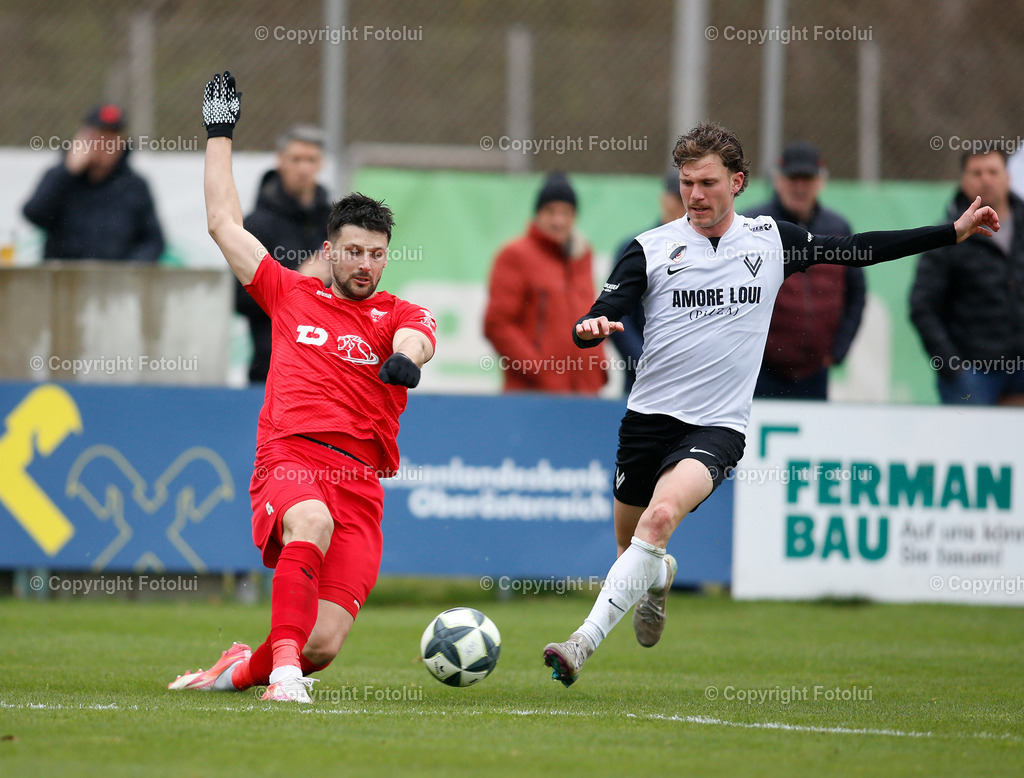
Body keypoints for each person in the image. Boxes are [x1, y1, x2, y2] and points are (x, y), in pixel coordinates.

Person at [542, 121, 998, 687]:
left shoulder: (771, 240)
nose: (696, 195)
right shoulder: (651, 249)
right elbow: (603, 308)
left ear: (737, 182)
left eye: (708, 182)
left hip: (716, 425)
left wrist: (949, 232)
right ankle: (656, 579)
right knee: (630, 547)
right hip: (647, 420)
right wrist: (591, 328)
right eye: (687, 183)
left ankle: (580, 644)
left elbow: (859, 250)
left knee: (660, 519)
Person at [169, 72, 436, 703]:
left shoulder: (397, 313)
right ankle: (283, 679)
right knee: (307, 521)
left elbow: (419, 339)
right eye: (354, 252)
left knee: (322, 644)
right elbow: (222, 222)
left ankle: (240, 669)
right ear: (330, 250)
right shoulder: (290, 293)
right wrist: (219, 133)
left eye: (376, 254)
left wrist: (405, 361)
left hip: (361, 484)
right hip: (290, 455)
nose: (365, 264)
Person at [744, 142, 865, 399]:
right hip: (759, 371)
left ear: (820, 182)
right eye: (793, 178)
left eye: (807, 178)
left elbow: (856, 293)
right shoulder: (752, 226)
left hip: (815, 372)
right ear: (777, 180)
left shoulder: (838, 227)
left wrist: (839, 349)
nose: (800, 186)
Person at [910, 148, 1024, 405]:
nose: (986, 179)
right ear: (963, 180)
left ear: (1008, 177)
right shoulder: (946, 236)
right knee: (968, 442)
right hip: (974, 371)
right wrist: (953, 368)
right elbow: (922, 306)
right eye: (977, 172)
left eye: (993, 172)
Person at [483, 173, 607, 393]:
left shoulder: (582, 255)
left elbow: (589, 313)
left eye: (566, 213)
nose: (558, 221)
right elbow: (497, 323)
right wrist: (538, 369)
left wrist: (598, 366)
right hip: (534, 394)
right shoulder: (515, 255)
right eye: (551, 212)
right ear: (538, 214)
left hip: (585, 391)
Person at [237, 125, 334, 383]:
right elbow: (239, 297)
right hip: (272, 367)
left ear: (321, 163)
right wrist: (298, 279)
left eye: (311, 160)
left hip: (328, 368)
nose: (304, 168)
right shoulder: (256, 224)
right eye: (296, 159)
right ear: (280, 161)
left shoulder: (335, 224)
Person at [22, 103, 164, 261]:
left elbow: (153, 241)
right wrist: (67, 171)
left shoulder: (134, 186)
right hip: (65, 281)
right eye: (100, 136)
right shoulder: (61, 178)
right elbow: (34, 214)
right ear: (83, 138)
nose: (107, 144)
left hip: (115, 281)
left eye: (113, 136)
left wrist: (130, 272)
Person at [609, 169, 687, 393]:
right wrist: (646, 364)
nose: (685, 206)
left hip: (696, 384)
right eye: (679, 198)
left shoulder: (712, 252)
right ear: (665, 200)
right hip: (642, 384)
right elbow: (617, 314)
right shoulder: (637, 249)